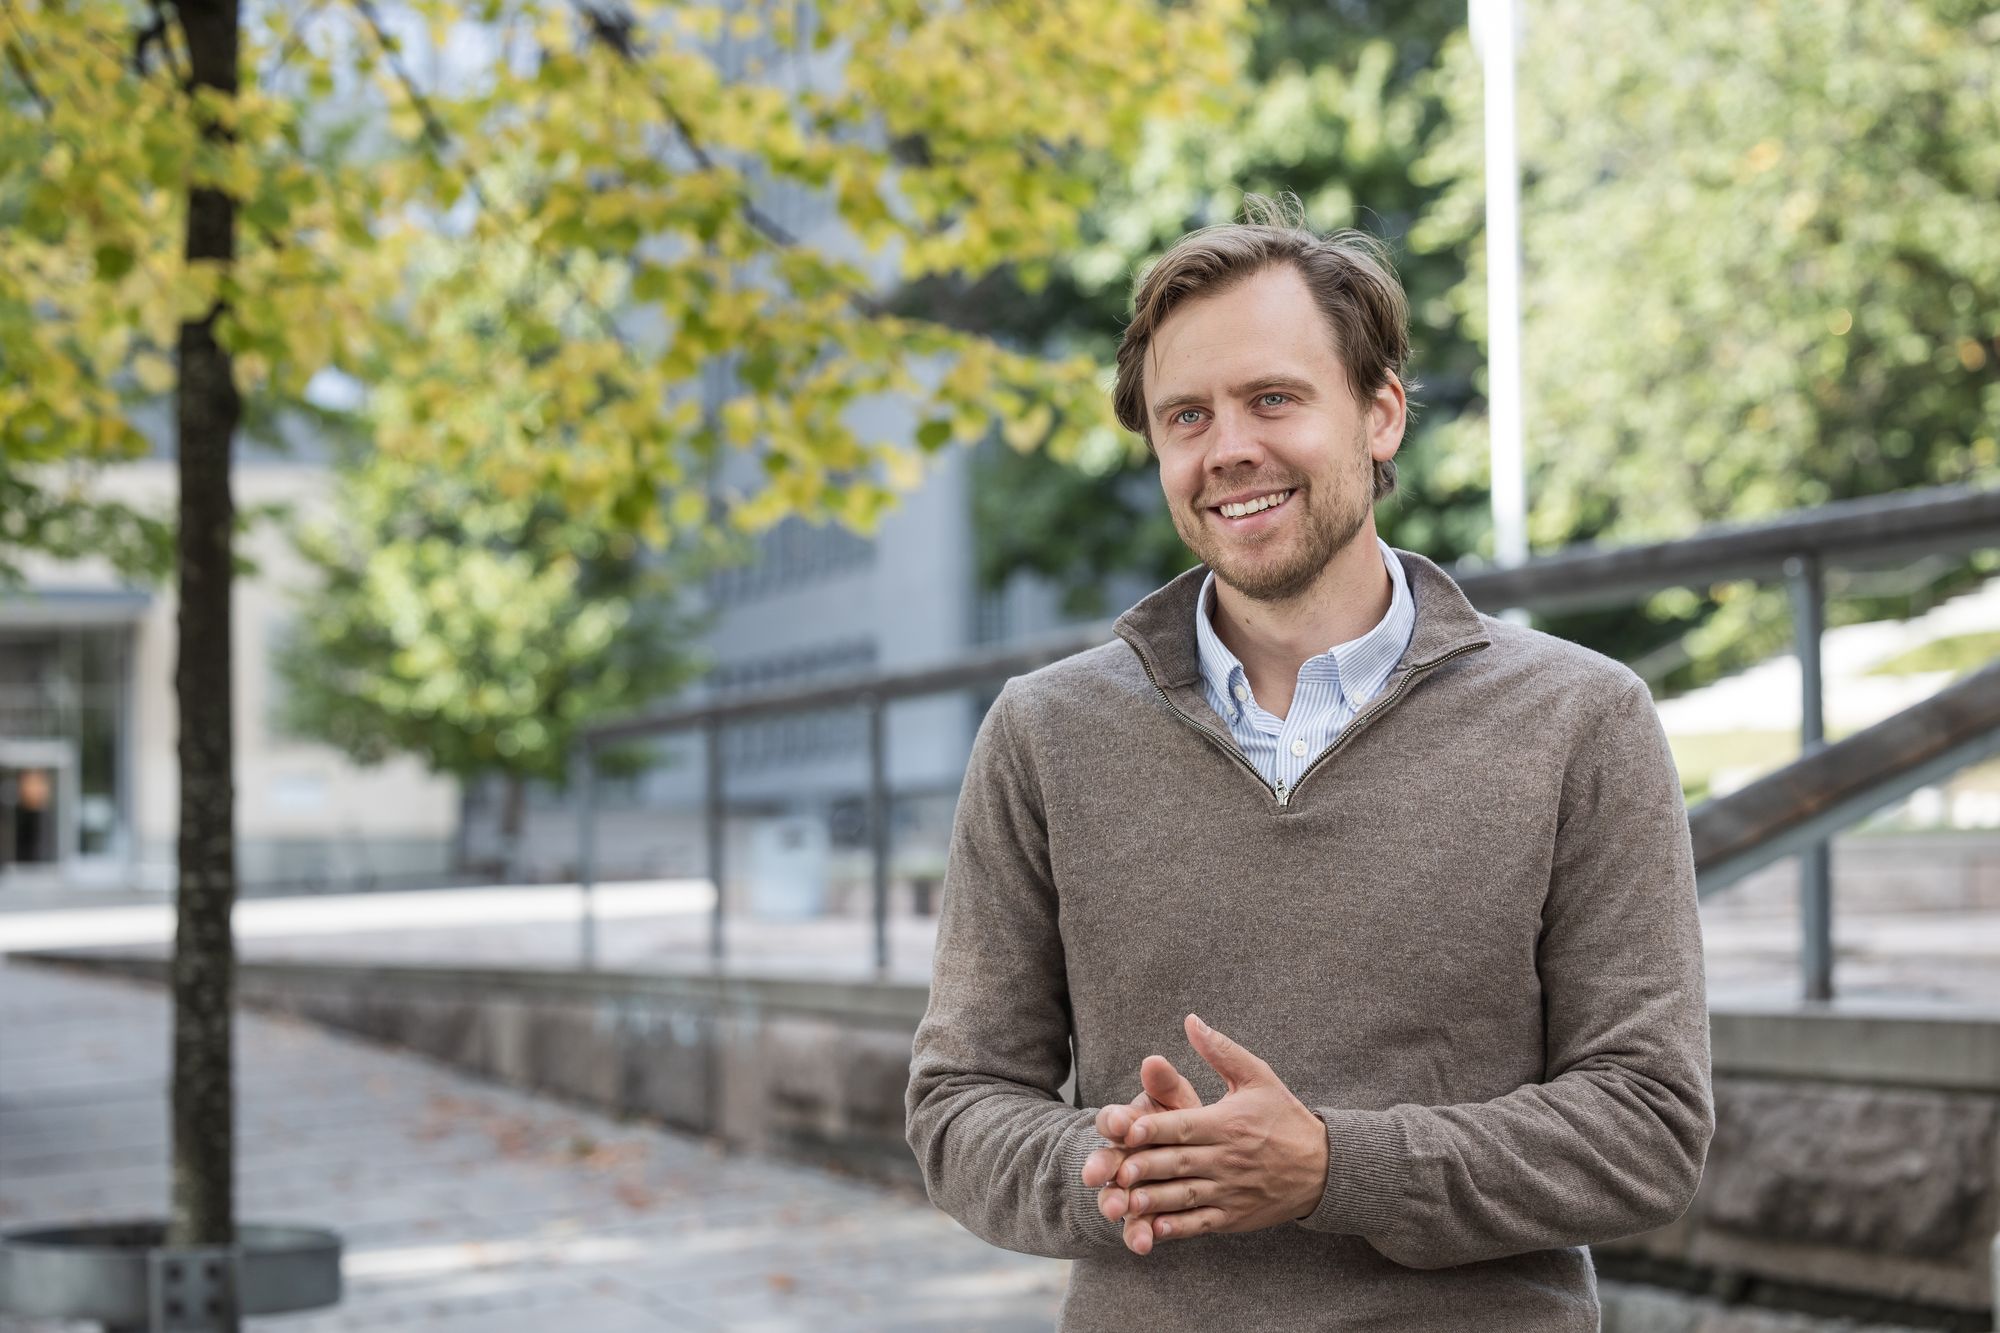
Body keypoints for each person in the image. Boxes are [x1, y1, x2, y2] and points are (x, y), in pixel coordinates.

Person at [903, 196, 1712, 1331]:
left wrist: (1335, 1166)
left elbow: (1647, 1126)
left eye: (1272, 399)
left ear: (1380, 414)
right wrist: (1132, 1166)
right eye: (1186, 416)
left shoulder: (1580, 717)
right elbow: (958, 1105)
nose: (1228, 447)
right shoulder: (1044, 732)